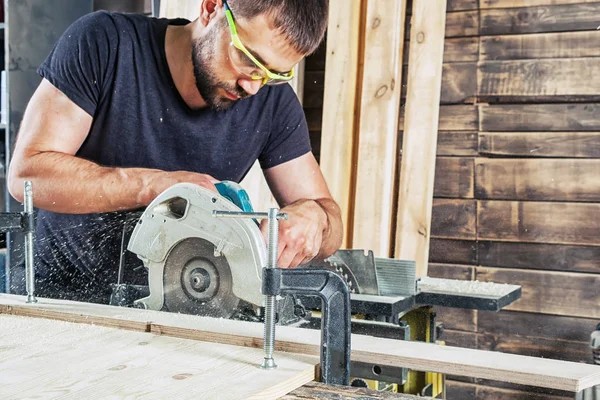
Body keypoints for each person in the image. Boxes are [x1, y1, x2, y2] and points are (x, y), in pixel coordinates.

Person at [6, 0, 343, 304]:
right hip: (57, 296)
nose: (253, 86)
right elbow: (26, 176)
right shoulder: (105, 42)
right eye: (247, 58)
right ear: (211, 9)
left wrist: (314, 218)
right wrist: (157, 187)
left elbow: (332, 222)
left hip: (182, 308)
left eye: (274, 74)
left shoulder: (272, 100)